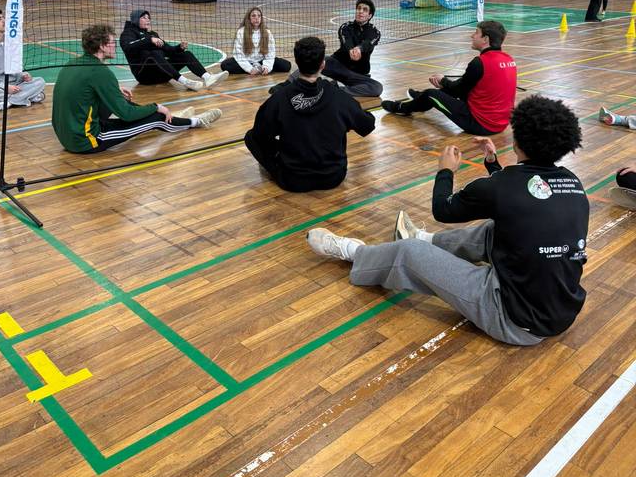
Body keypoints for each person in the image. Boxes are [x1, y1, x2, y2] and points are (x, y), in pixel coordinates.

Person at [307, 95, 588, 346]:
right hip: (559, 311)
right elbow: (518, 200)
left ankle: (354, 252)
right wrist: (492, 164)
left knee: (409, 254)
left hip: (514, 320)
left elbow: (443, 210)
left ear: (516, 140)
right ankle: (424, 239)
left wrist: (446, 171)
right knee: (493, 230)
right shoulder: (571, 182)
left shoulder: (504, 187)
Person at [52, 24, 222, 153]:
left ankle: (171, 118)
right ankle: (195, 122)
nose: (115, 46)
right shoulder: (101, 72)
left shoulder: (72, 63)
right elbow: (126, 114)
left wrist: (115, 88)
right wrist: (156, 107)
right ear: (102, 46)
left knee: (123, 100)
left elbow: (87, 88)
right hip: (86, 141)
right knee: (155, 117)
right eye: (111, 43)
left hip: (66, 134)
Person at [244, 35, 375, 191]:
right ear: (323, 64)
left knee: (251, 136)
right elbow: (368, 124)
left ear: (297, 63)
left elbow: (260, 134)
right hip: (333, 177)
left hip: (293, 179)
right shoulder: (339, 96)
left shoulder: (280, 98)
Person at [381, 20, 516, 135]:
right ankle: (420, 98)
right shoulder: (509, 59)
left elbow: (459, 91)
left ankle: (401, 108)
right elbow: (468, 86)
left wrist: (443, 81)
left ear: (486, 39)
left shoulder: (479, 63)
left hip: (481, 125)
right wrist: (445, 84)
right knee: (447, 90)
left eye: (476, 33)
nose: (472, 36)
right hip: (501, 123)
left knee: (431, 94)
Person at [120, 9, 227, 91]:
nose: (148, 19)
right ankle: (185, 81)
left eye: (148, 17)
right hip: (144, 76)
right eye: (144, 17)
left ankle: (208, 77)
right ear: (135, 19)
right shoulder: (128, 33)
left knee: (186, 54)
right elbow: (128, 47)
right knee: (154, 54)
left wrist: (178, 48)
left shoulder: (152, 34)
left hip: (163, 73)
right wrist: (149, 40)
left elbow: (168, 50)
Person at [322, 0, 383, 96]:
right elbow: (347, 42)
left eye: (365, 10)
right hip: (338, 66)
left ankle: (337, 90)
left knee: (377, 88)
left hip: (356, 74)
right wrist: (351, 50)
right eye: (359, 8)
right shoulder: (345, 27)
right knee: (316, 61)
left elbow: (368, 43)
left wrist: (359, 49)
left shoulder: (375, 32)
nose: (360, 11)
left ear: (370, 15)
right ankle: (294, 83)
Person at [0, 9, 45, 111]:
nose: (4, 21)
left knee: (40, 81)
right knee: (40, 95)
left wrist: (23, 75)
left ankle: (9, 102)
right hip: (0, 86)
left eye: (3, 18)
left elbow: (15, 69)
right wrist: (6, 87)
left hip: (16, 85)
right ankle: (28, 97)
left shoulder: (9, 44)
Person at [220, 6, 291, 76]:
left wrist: (267, 67)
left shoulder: (267, 32)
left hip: (262, 61)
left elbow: (271, 53)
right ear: (248, 18)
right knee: (225, 65)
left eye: (259, 16)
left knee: (286, 66)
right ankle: (255, 69)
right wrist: (249, 69)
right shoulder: (241, 32)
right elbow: (238, 55)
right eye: (253, 16)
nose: (256, 18)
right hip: (247, 61)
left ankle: (260, 68)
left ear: (261, 18)